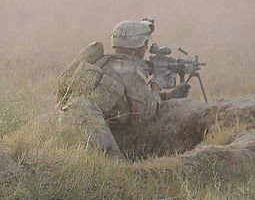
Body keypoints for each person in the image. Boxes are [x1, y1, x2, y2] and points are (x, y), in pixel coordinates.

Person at [57, 19, 190, 159]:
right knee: (116, 170)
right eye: (145, 43)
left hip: (70, 117)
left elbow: (129, 102)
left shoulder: (107, 63)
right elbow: (147, 112)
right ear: (138, 45)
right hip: (89, 122)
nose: (146, 48)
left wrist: (167, 97)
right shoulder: (129, 69)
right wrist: (157, 83)